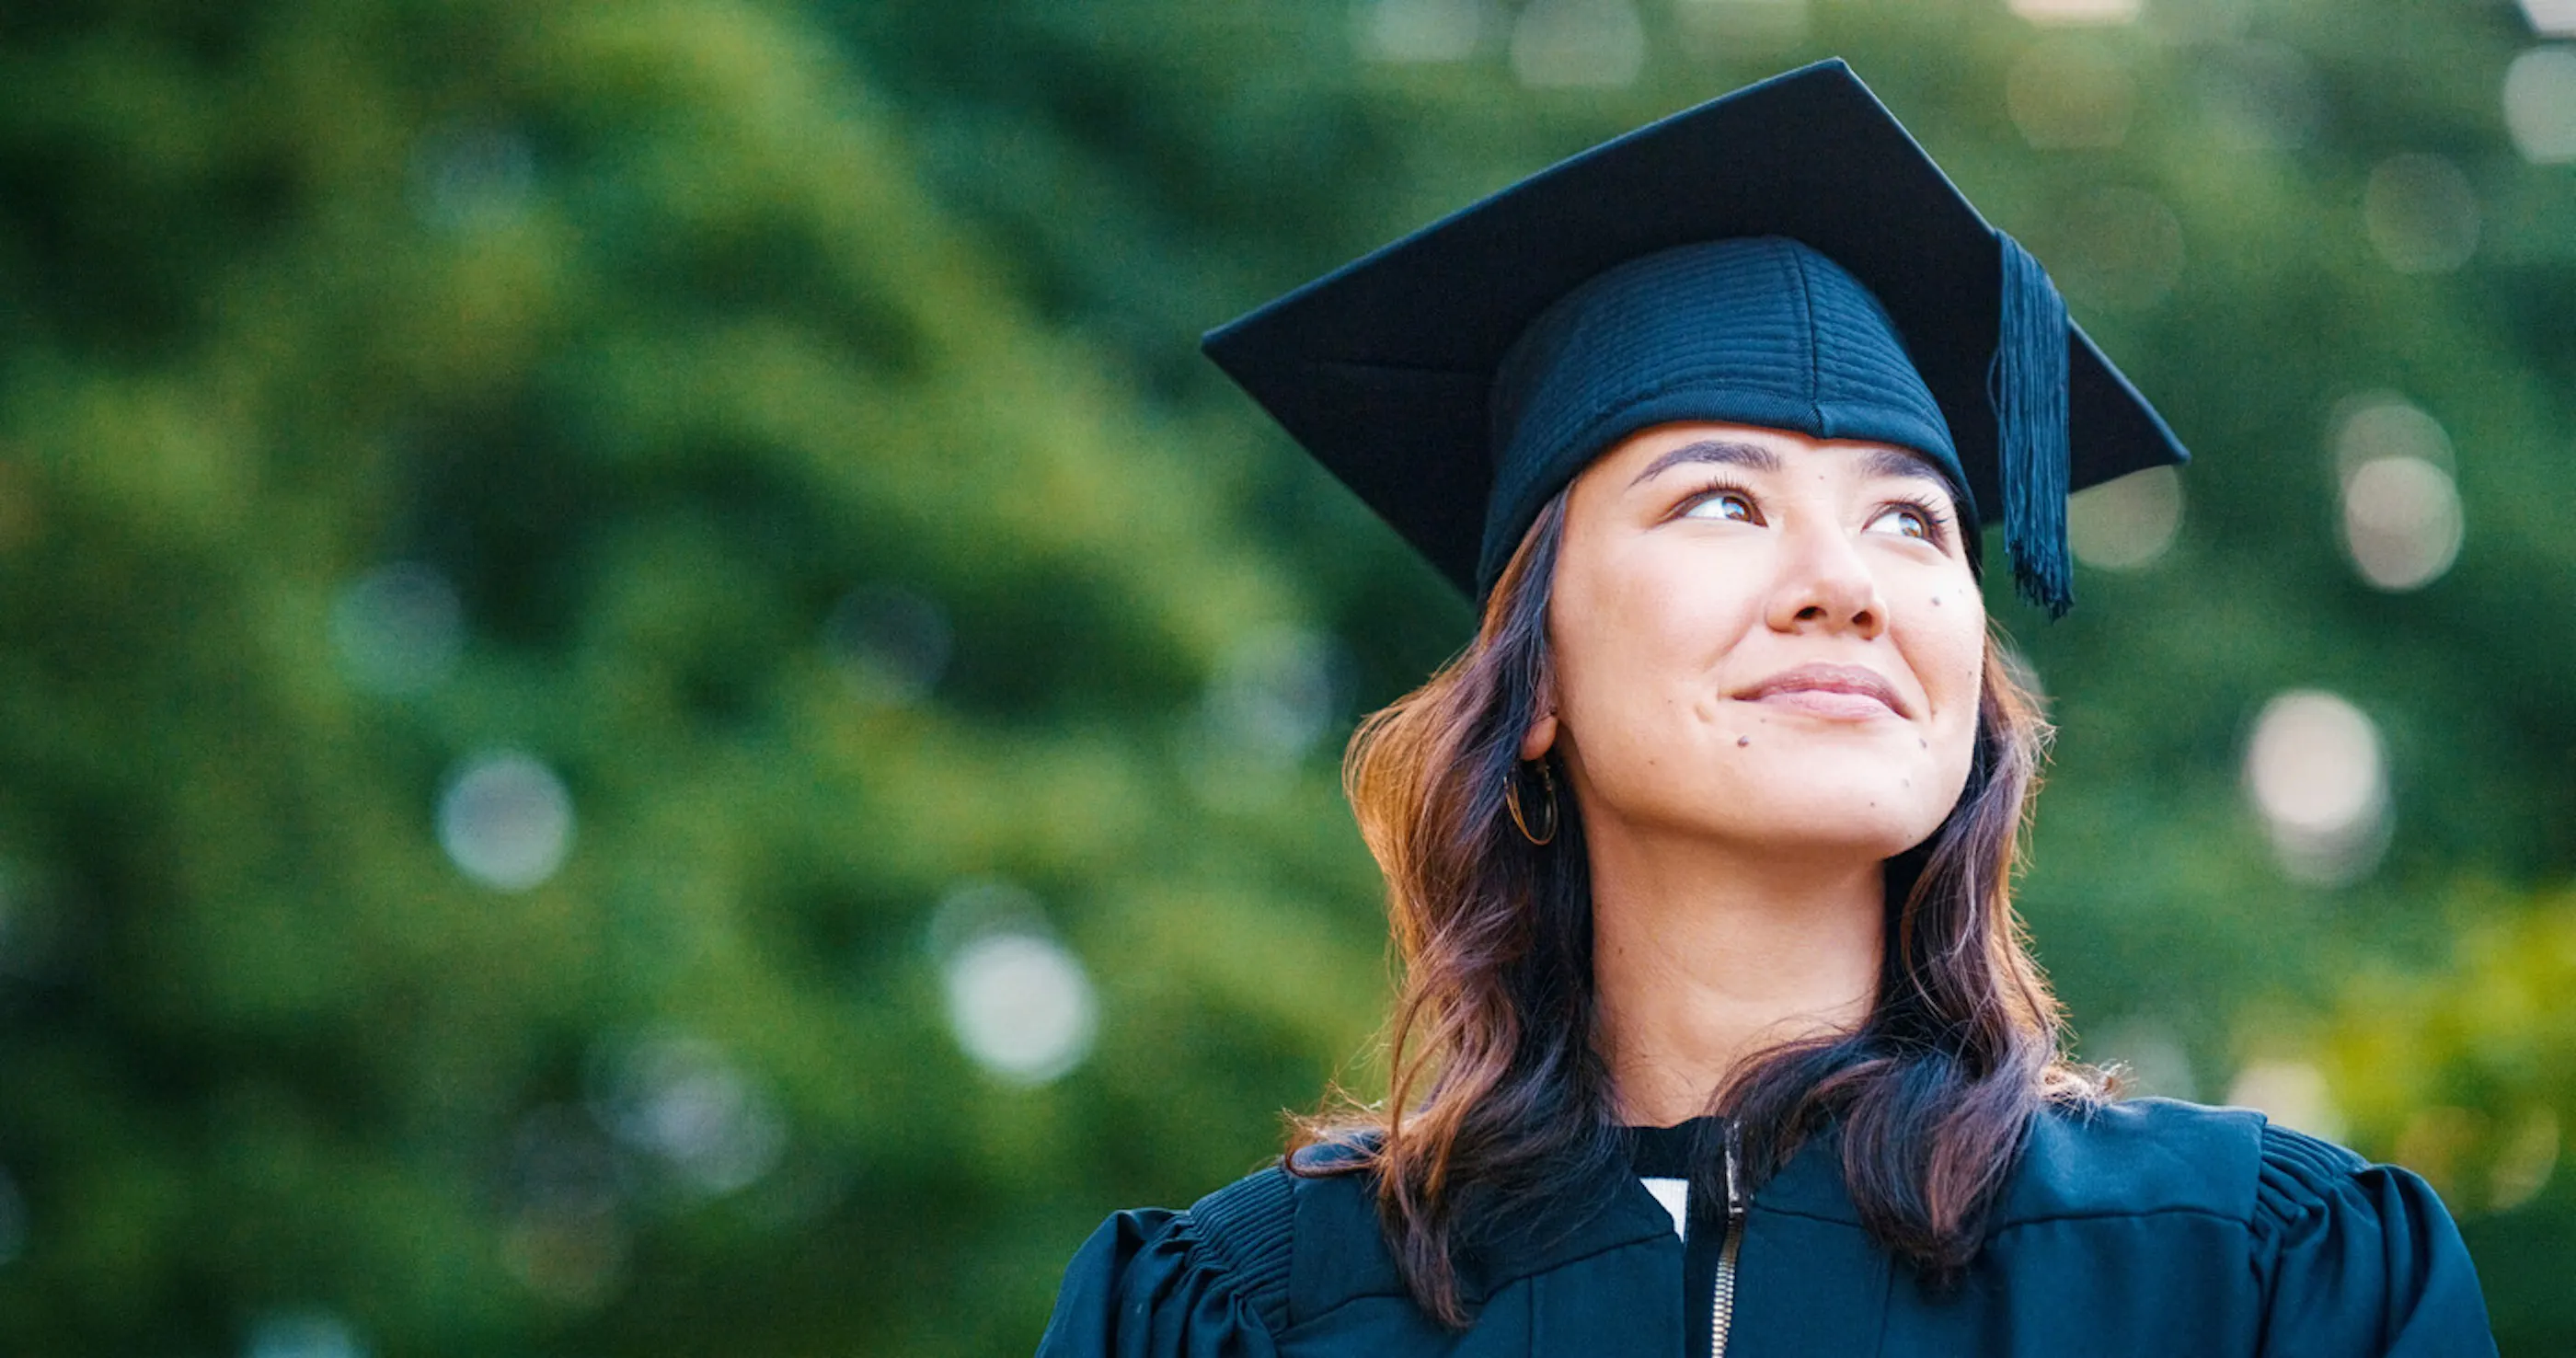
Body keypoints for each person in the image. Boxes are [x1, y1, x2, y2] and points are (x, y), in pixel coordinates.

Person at [1035, 60, 2495, 1357]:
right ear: (1532, 680)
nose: (1845, 583)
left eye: (1914, 524)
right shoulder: (1252, 1315)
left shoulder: (2254, 1280)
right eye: (1722, 500)